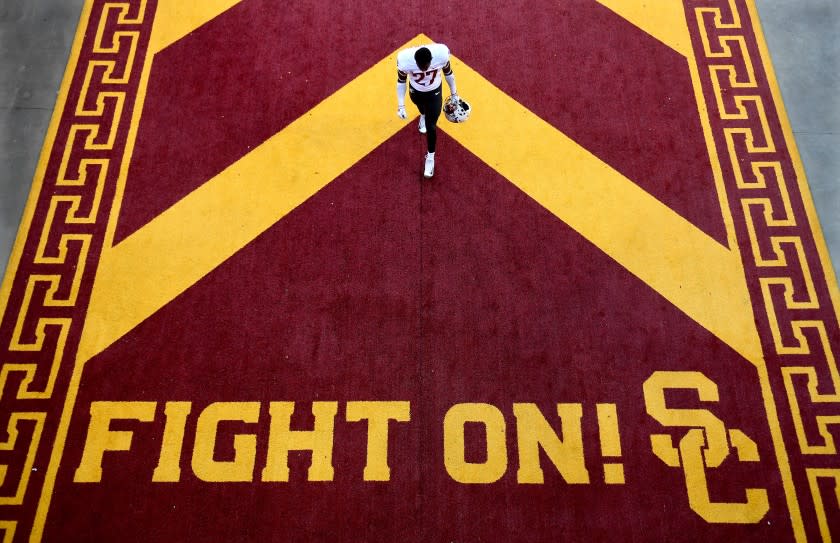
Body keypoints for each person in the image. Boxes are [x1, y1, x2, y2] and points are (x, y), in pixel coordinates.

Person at [396, 44, 457, 178]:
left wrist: (454, 94)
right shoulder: (405, 60)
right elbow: (401, 81)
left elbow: (448, 73)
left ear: (431, 60)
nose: (423, 69)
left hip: (434, 92)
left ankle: (430, 158)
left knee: (431, 127)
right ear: (415, 61)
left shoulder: (441, 55)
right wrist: (401, 105)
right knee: (420, 107)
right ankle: (422, 115)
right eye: (420, 65)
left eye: (426, 65)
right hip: (416, 92)